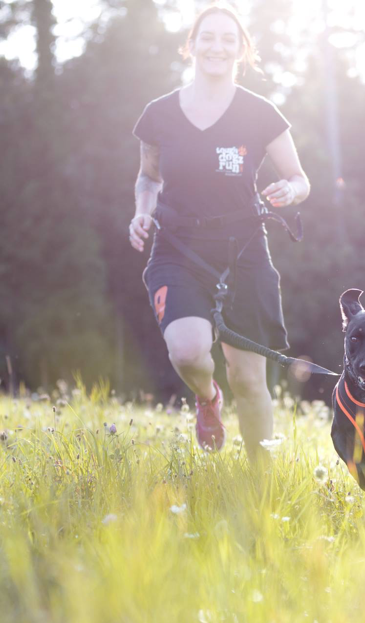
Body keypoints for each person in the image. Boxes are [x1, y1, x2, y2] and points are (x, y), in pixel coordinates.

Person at [129, 3, 310, 462]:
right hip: (178, 247)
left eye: (228, 39)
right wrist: (142, 211)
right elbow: (149, 176)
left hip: (244, 250)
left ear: (241, 50)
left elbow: (301, 178)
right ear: (191, 45)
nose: (217, 46)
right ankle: (208, 399)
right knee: (188, 352)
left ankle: (259, 485)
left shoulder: (261, 113)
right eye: (207, 37)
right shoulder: (159, 114)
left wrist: (289, 190)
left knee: (250, 380)